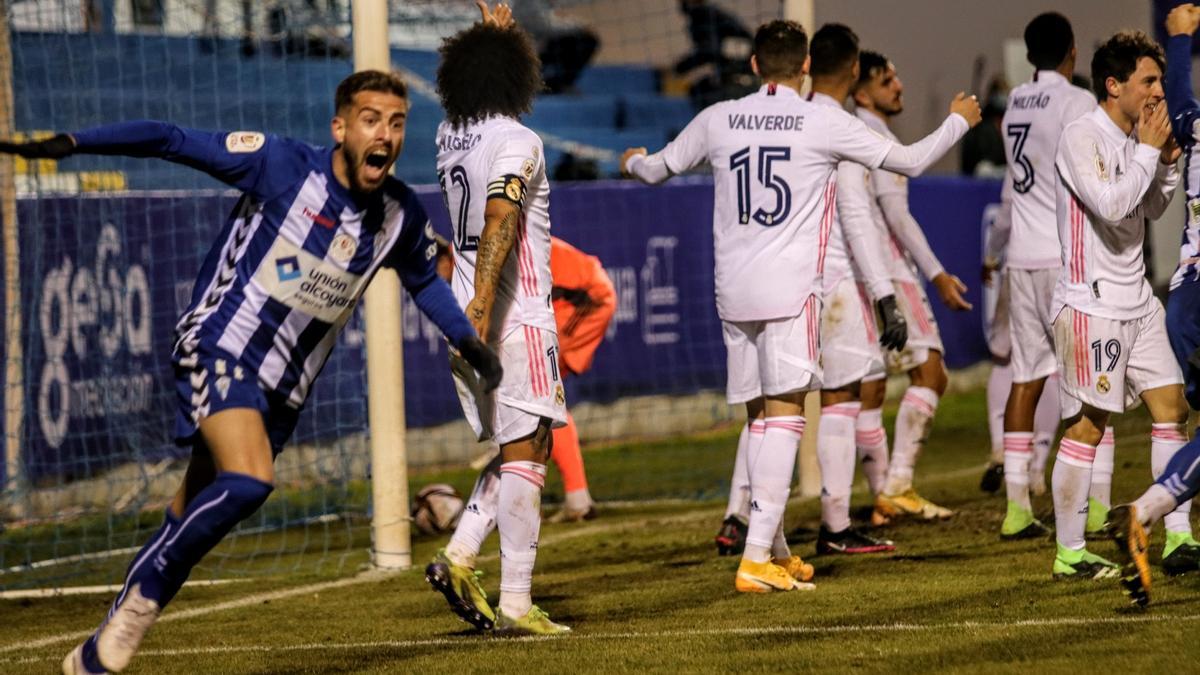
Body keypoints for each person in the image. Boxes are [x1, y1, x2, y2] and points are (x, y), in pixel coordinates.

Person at [8, 68, 503, 674]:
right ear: (340, 127)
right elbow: (168, 138)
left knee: (191, 510)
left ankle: (90, 658)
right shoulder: (280, 165)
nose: (386, 134)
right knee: (249, 481)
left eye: (397, 122)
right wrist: (73, 144)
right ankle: (131, 617)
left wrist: (467, 341)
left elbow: (424, 279)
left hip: (285, 391)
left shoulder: (398, 215)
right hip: (220, 343)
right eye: (372, 119)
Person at [622, 19, 980, 592]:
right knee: (787, 417)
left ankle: (777, 546)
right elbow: (910, 160)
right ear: (805, 66)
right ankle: (756, 557)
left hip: (732, 293)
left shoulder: (718, 118)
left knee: (760, 419)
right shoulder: (823, 121)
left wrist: (632, 161)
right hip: (790, 292)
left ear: (756, 66)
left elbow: (656, 169)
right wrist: (959, 121)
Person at [423, 6, 572, 636]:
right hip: (511, 318)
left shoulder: (448, 135)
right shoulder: (519, 142)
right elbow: (499, 218)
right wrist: (484, 310)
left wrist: (498, 34)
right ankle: (514, 603)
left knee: (524, 448)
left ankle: (460, 556)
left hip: (466, 312)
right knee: (528, 451)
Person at [1048, 29, 1182, 602]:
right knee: (1089, 426)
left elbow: (1148, 205)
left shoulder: (1133, 137)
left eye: (1160, 80)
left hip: (1137, 301)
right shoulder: (1081, 136)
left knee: (1173, 406)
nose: (1157, 90)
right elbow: (1110, 204)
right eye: (1148, 80)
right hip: (1092, 303)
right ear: (1114, 84)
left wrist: (1167, 163)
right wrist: (1150, 152)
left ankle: (1176, 534)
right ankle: (1070, 552)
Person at [981, 12, 1100, 541]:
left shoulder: (1013, 109)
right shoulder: (1077, 101)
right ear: (1072, 51)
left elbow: (1012, 189)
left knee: (1024, 378)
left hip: (1022, 260)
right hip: (1065, 256)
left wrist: (994, 248)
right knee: (1091, 379)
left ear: (1030, 56)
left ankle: (1016, 507)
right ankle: (1093, 506)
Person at [852, 51, 974, 525]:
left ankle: (880, 498)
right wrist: (937, 273)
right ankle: (896, 484)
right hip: (890, 273)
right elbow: (895, 213)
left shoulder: (849, 128)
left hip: (856, 274)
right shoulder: (873, 136)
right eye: (888, 80)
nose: (899, 86)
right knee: (931, 373)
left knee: (869, 388)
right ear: (862, 91)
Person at [805, 23, 906, 556]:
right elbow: (857, 216)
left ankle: (752, 531)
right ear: (851, 70)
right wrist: (885, 295)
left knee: (771, 412)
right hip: (835, 283)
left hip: (778, 282)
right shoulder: (837, 127)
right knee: (842, 399)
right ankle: (836, 526)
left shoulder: (779, 119)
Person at [674, 0, 756, 111]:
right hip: (745, 78)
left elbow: (709, 51)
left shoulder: (703, 16)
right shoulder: (714, 14)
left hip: (740, 82)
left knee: (700, 91)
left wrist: (680, 68)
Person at [512, 0, 599, 94]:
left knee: (581, 39)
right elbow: (545, 27)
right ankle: (544, 83)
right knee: (585, 40)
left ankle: (556, 83)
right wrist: (579, 26)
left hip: (537, 46)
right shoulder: (528, 4)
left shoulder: (541, 4)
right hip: (526, 50)